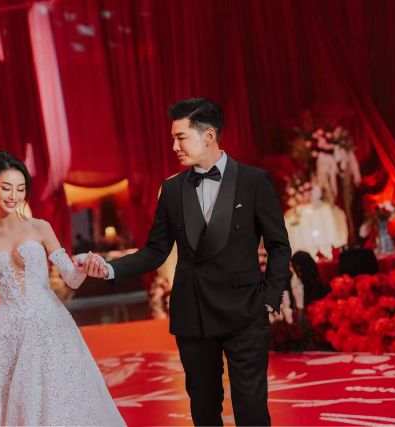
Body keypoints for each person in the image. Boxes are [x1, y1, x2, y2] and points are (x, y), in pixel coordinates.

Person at [83, 98, 291, 425]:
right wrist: (110, 268)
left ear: (209, 135)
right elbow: (156, 250)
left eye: (181, 137)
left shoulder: (254, 181)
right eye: (173, 138)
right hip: (194, 314)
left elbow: (279, 245)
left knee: (251, 408)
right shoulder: (172, 189)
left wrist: (270, 297)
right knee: (203, 409)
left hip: (245, 312)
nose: (174, 146)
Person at [0, 151, 125, 426]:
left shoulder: (40, 227)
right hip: (8, 332)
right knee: (16, 404)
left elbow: (71, 279)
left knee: (60, 399)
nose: (13, 196)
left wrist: (84, 265)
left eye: (20, 189)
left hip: (50, 324)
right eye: (6, 187)